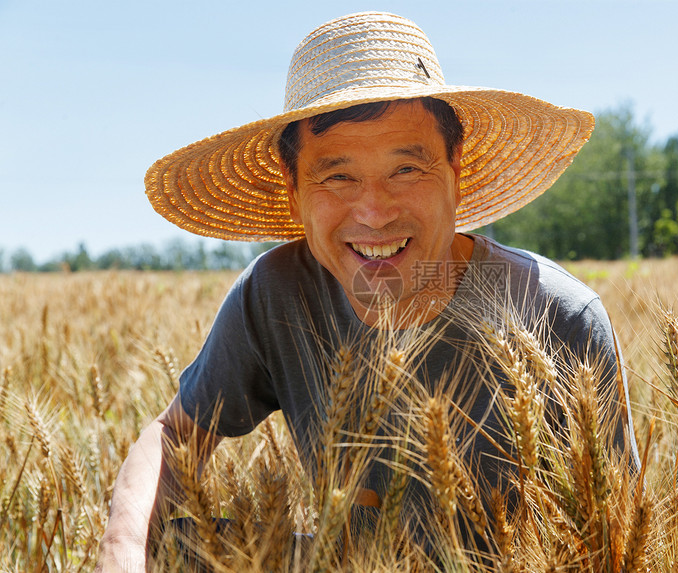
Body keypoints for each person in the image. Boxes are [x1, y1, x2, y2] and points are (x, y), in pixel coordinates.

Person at [97, 11, 638, 571]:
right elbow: (173, 432)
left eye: (406, 169)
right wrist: (121, 548)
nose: (375, 212)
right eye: (338, 176)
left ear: (456, 169)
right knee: (168, 547)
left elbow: (614, 543)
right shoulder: (277, 294)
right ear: (295, 190)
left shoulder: (558, 316)